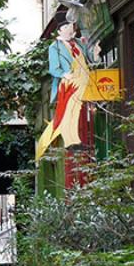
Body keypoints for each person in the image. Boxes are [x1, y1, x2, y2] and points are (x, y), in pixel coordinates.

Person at [35, 20, 99, 161]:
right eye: (65, 27)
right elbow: (53, 68)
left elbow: (90, 59)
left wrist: (95, 51)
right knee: (69, 111)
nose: (69, 29)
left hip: (84, 79)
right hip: (70, 82)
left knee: (79, 108)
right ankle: (71, 141)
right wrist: (65, 74)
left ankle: (75, 140)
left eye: (70, 27)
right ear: (59, 31)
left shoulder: (79, 43)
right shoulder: (55, 47)